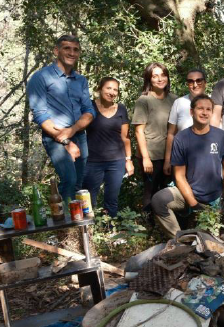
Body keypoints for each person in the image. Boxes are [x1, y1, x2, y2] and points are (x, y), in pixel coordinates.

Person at [150, 95, 224, 239]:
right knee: (159, 200)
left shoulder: (221, 136)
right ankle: (179, 240)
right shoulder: (181, 138)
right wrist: (194, 204)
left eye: (208, 109)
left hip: (214, 196)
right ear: (191, 112)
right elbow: (179, 176)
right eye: (200, 108)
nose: (204, 112)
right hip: (188, 192)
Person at [28, 34, 95, 202]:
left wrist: (72, 131)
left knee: (78, 183)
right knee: (69, 180)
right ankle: (64, 225)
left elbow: (89, 111)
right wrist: (66, 141)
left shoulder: (81, 80)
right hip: (55, 137)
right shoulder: (41, 77)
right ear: (56, 50)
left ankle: (75, 221)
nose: (72, 53)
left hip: (79, 135)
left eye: (75, 49)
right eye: (67, 48)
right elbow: (41, 115)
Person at [82, 77, 134, 217]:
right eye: (108, 88)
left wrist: (128, 160)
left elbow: (125, 137)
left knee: (111, 200)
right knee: (88, 199)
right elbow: (79, 130)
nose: (112, 92)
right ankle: (88, 232)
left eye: (115, 89)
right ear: (100, 89)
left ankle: (109, 230)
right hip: (92, 161)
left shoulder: (121, 109)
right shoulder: (89, 106)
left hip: (116, 161)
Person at [132, 62, 176, 214]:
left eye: (163, 75)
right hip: (151, 155)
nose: (160, 79)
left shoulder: (174, 100)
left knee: (166, 193)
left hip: (169, 155)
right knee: (150, 192)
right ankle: (148, 228)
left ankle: (163, 226)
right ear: (149, 79)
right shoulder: (143, 100)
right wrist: (145, 158)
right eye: (155, 76)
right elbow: (139, 131)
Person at [164, 68, 208, 177]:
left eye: (199, 80)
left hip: (207, 157)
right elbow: (171, 133)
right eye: (190, 81)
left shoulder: (213, 102)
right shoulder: (179, 103)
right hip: (182, 159)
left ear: (205, 83)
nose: (195, 84)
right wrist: (167, 160)